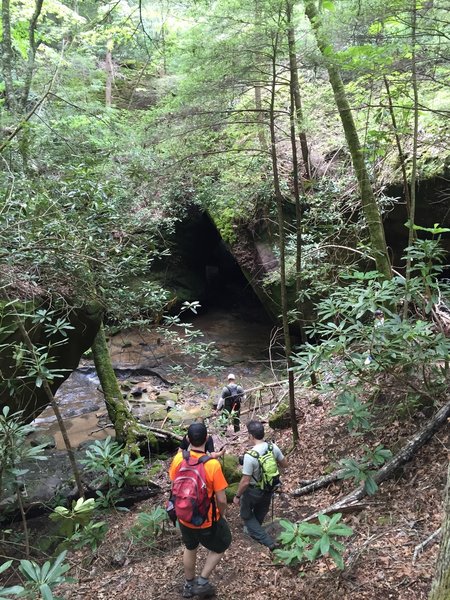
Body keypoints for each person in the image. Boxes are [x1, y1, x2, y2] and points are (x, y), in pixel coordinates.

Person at [169, 422, 231, 598]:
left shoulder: (179, 459)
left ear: (188, 439)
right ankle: (202, 582)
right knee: (222, 543)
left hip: (183, 516)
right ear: (207, 438)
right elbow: (221, 499)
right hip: (206, 520)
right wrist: (221, 514)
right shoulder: (212, 465)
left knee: (190, 547)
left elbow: (174, 486)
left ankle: (188, 586)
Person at [233, 420, 287, 551]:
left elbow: (245, 481)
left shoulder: (250, 456)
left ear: (251, 436)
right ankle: (254, 531)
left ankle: (267, 541)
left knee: (246, 514)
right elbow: (285, 464)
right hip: (269, 487)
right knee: (261, 511)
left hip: (253, 491)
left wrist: (237, 496)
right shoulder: (272, 447)